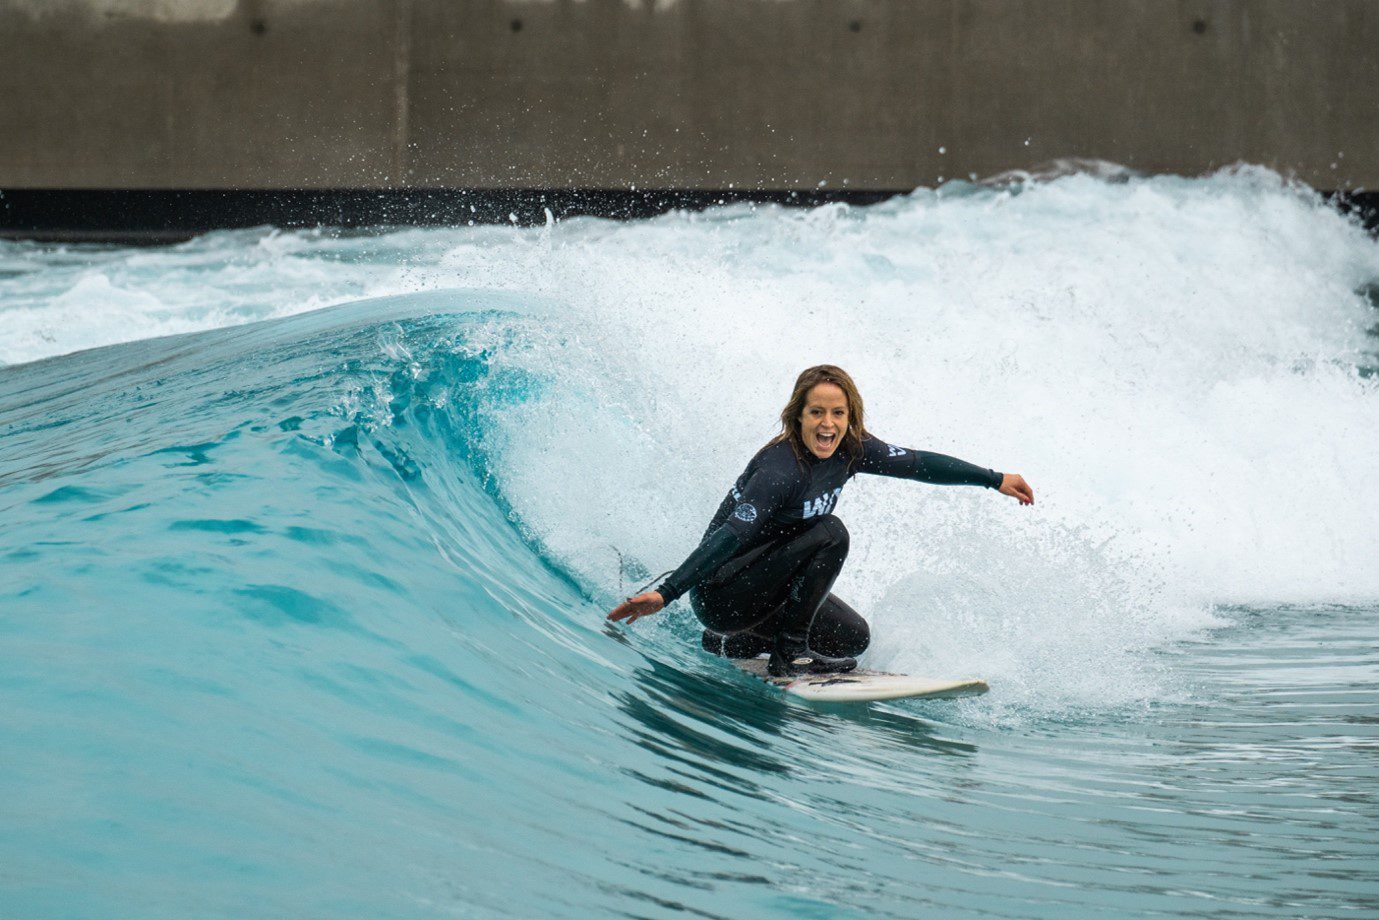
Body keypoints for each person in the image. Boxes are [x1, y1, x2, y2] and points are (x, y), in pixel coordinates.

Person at [607, 365, 1034, 677]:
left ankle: (736, 643)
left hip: (766, 592)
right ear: (798, 416)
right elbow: (731, 535)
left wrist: (993, 479)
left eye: (838, 414)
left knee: (852, 640)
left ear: (851, 418)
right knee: (832, 534)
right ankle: (785, 656)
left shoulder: (854, 449)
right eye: (816, 413)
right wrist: (667, 593)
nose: (827, 424)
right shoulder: (780, 471)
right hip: (723, 594)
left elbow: (920, 464)